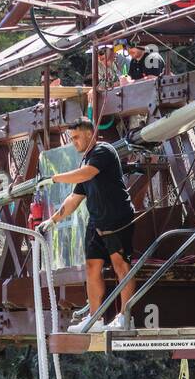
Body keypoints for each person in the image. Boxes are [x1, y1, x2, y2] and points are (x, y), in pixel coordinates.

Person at [41, 117, 137, 332]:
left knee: (121, 266)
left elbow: (87, 174)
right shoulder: (84, 160)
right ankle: (96, 319)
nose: (74, 142)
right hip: (96, 222)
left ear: (89, 134)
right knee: (92, 268)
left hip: (116, 218)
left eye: (76, 137)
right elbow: (75, 198)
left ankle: (124, 317)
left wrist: (54, 178)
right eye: (71, 138)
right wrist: (52, 220)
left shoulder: (103, 151)